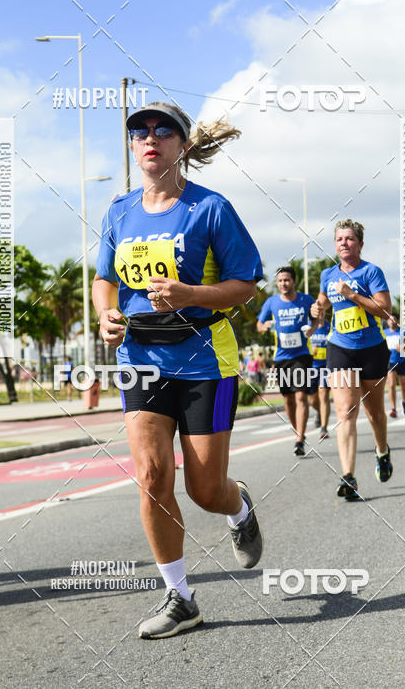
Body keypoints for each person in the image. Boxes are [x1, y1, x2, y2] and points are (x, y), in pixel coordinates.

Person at [93, 100, 264, 640]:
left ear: (181, 145)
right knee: (150, 477)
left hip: (204, 359)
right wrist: (106, 314)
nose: (150, 138)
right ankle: (180, 598)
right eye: (139, 131)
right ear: (132, 146)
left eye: (163, 130)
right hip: (139, 358)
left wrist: (190, 294)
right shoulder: (118, 211)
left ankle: (237, 507)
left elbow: (246, 283)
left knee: (204, 491)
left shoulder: (210, 208)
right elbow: (104, 277)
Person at [310, 220, 393, 501]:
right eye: (339, 239)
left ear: (360, 244)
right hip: (340, 348)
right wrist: (317, 308)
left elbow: (385, 310)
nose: (344, 243)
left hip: (371, 348)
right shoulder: (327, 274)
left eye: (349, 239)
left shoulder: (372, 272)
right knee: (345, 412)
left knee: (375, 413)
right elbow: (322, 302)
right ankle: (349, 476)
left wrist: (353, 295)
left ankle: (382, 451)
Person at [256, 267, 316, 456]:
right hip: (281, 357)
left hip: (301, 355)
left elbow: (317, 319)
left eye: (287, 280)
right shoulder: (271, 302)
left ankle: (300, 438)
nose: (283, 284)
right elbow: (259, 324)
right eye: (280, 281)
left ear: (294, 281)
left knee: (300, 396)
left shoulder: (305, 300)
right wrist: (263, 326)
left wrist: (312, 329)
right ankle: (297, 431)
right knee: (288, 400)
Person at [306, 310, 331, 439]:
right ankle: (320, 412)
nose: (320, 315)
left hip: (326, 366)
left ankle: (324, 428)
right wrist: (311, 350)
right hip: (312, 366)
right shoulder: (308, 326)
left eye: (322, 312)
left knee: (323, 393)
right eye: (318, 312)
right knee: (313, 400)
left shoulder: (329, 327)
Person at [384, 315, 405, 416]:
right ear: (387, 321)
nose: (392, 321)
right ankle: (393, 408)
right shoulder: (384, 332)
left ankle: (404, 402)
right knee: (392, 385)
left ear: (397, 321)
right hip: (390, 362)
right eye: (390, 319)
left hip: (402, 361)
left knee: (403, 385)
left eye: (394, 319)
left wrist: (404, 346)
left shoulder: (403, 332)